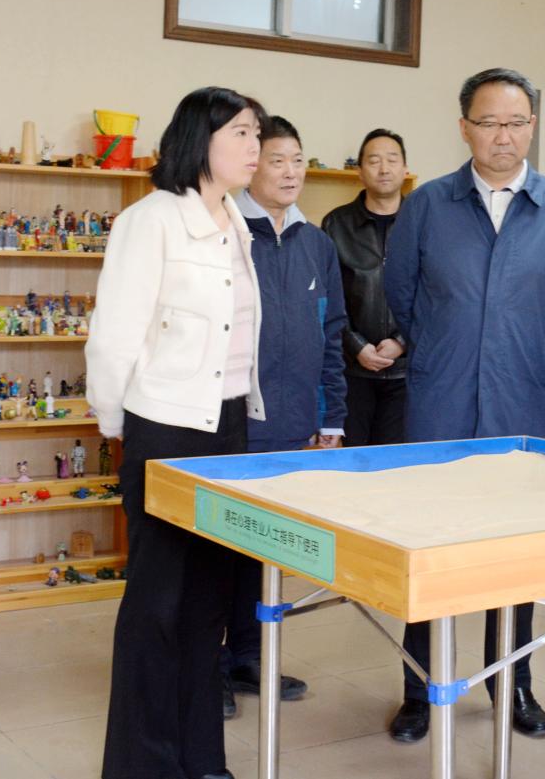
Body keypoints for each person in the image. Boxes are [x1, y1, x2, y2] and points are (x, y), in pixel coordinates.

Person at [382, 67, 545, 743]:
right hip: (439, 402)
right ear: (464, 126)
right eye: (490, 122)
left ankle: (513, 681)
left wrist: (521, 352)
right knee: (426, 548)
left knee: (516, 552)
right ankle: (418, 687)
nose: (504, 136)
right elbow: (402, 293)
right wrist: (450, 348)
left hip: (522, 405)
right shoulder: (427, 205)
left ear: (533, 126)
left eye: (517, 122)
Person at [88, 86, 267, 779]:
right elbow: (114, 338)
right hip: (163, 430)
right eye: (241, 133)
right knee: (157, 604)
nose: (255, 148)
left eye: (257, 134)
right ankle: (142, 765)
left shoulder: (236, 220)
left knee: (207, 604)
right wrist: (119, 429)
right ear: (201, 138)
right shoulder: (152, 219)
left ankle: (201, 759)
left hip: (226, 426)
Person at [221, 114, 349, 718]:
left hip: (295, 426)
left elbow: (331, 334)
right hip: (232, 426)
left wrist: (332, 420)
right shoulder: (225, 232)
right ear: (252, 165)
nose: (291, 171)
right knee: (218, 553)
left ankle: (247, 658)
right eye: (277, 160)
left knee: (264, 551)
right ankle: (207, 668)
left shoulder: (316, 243)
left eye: (298, 160)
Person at [322, 128, 410, 446]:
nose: (384, 168)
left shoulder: (423, 222)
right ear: (359, 171)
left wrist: (402, 342)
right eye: (374, 161)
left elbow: (436, 295)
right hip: (352, 371)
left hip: (407, 372)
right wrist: (356, 346)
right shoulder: (336, 224)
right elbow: (328, 300)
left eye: (392, 160)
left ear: (405, 169)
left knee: (398, 464)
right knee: (351, 461)